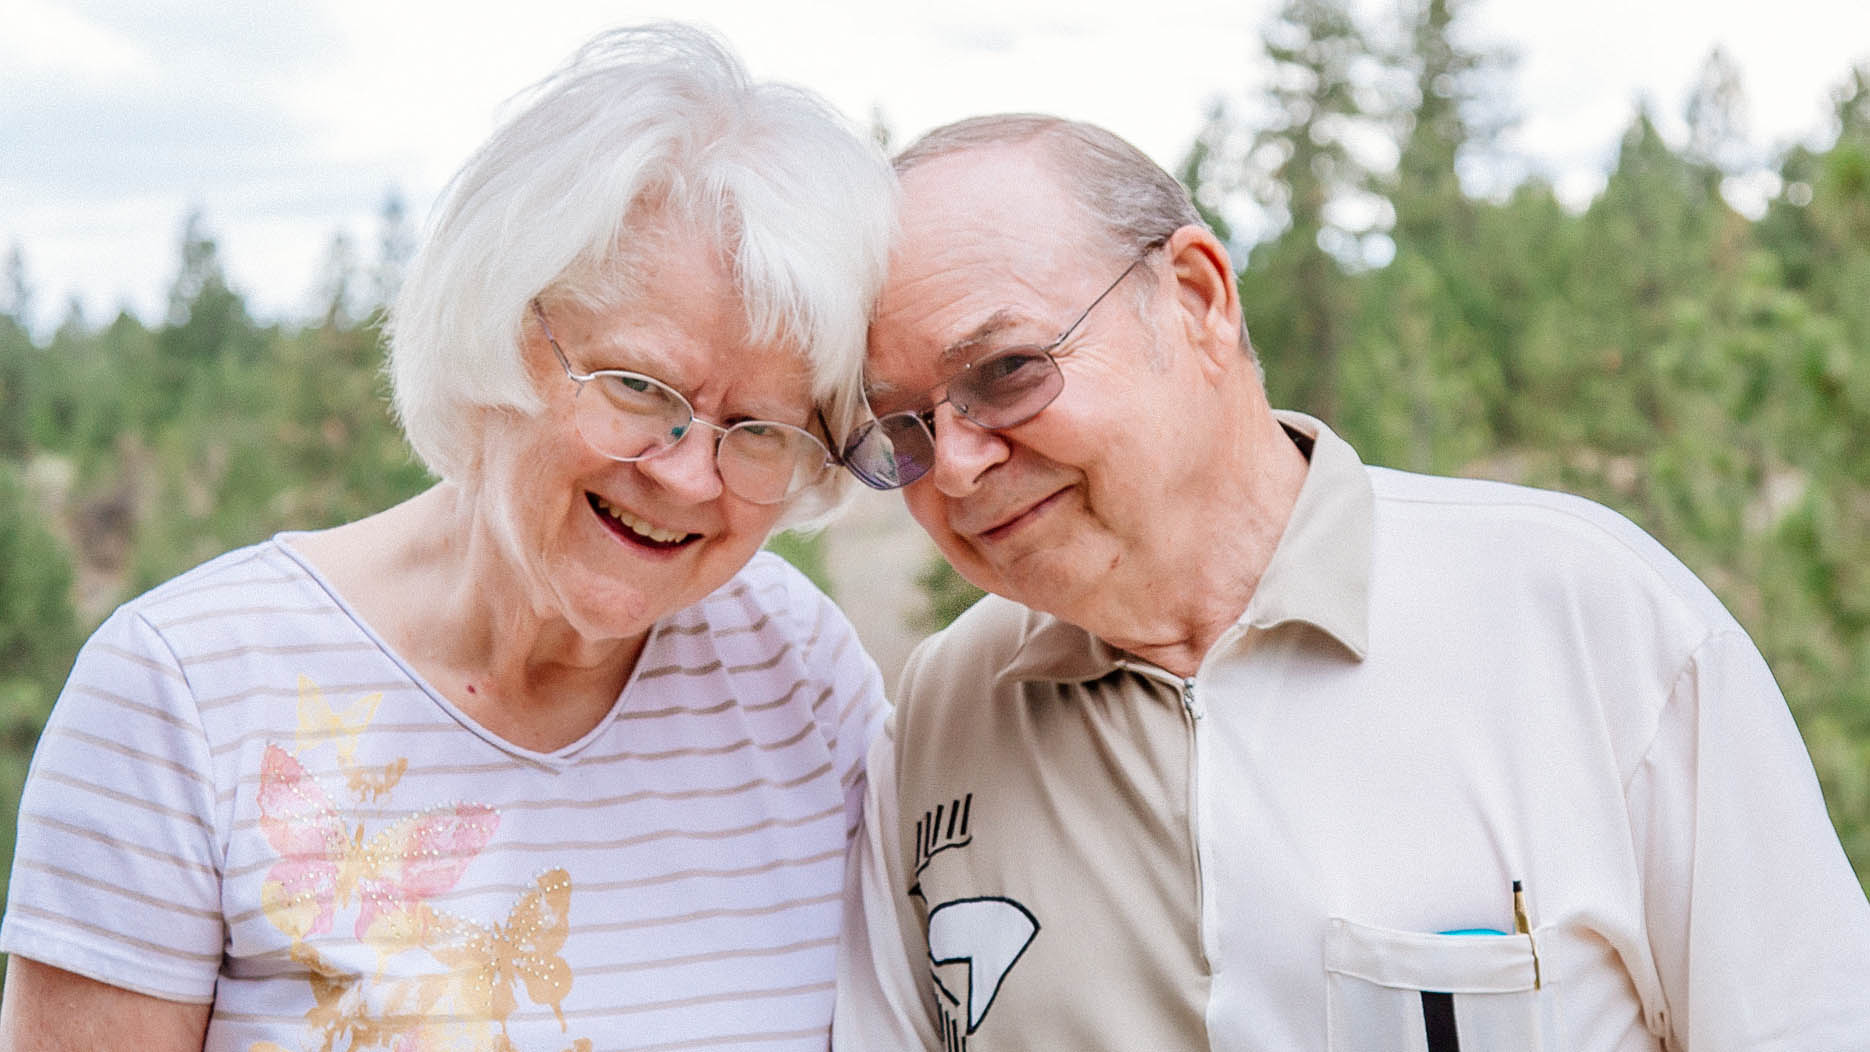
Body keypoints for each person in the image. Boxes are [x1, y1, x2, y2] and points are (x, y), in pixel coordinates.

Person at [832, 113, 1870, 1051]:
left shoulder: (1592, 622)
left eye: (1007, 370)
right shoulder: (933, 715)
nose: (956, 466)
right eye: (902, 430)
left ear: (1195, 297)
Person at [0, 24, 897, 1052]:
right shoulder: (181, 692)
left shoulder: (797, 676)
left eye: (762, 431)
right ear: (498, 330)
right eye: (640, 388)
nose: (688, 473)